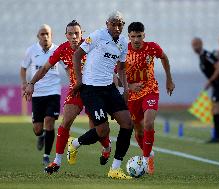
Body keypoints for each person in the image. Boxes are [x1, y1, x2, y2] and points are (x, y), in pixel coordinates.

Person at [24, 20, 111, 175]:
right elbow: (44, 68)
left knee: (98, 130)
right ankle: (56, 162)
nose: (74, 36)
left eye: (76, 33)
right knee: (65, 122)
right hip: (76, 90)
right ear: (66, 35)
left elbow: (109, 65)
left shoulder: (91, 46)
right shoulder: (62, 49)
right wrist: (31, 83)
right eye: (70, 34)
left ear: (82, 34)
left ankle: (106, 147)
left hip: (94, 91)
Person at [69, 11, 133, 179]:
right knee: (103, 130)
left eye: (120, 24)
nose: (117, 27)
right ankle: (74, 143)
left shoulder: (124, 42)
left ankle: (115, 168)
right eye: (114, 24)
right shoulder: (97, 36)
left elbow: (121, 67)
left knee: (127, 124)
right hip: (91, 89)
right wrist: (79, 81)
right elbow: (77, 55)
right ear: (107, 24)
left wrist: (125, 88)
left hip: (109, 88)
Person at [126, 22, 175, 174]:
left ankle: (146, 159)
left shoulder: (152, 47)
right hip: (132, 96)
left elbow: (164, 58)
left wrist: (169, 79)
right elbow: (115, 74)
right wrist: (129, 87)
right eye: (133, 36)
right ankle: (149, 152)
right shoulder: (122, 51)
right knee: (138, 130)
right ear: (129, 37)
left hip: (150, 90)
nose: (136, 40)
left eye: (139, 36)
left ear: (144, 35)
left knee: (148, 123)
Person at [20, 24, 59, 165]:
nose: (45, 36)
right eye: (42, 34)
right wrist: (25, 83)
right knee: (37, 129)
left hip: (53, 91)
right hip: (37, 93)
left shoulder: (57, 50)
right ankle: (41, 135)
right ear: (38, 37)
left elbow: (68, 67)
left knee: (49, 121)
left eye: (47, 33)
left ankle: (46, 156)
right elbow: (23, 68)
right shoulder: (31, 50)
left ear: (51, 35)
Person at [191, 37, 219, 143]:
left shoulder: (207, 55)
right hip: (217, 85)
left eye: (196, 44)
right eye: (193, 45)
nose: (195, 47)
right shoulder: (201, 58)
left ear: (201, 43)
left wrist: (210, 81)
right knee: (216, 109)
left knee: (217, 109)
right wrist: (211, 83)